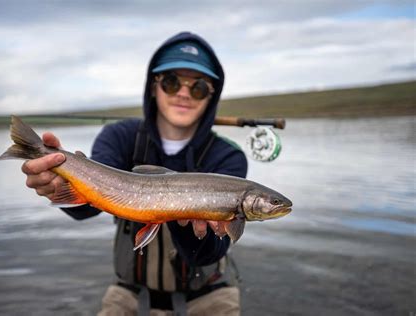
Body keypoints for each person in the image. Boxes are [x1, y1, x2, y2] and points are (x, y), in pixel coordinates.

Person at [21, 31, 248, 315]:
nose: (183, 93)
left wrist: (181, 218)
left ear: (211, 96)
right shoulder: (119, 136)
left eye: (199, 87)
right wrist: (56, 184)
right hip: (130, 295)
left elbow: (207, 254)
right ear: (153, 87)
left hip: (209, 296)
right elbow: (86, 209)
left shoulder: (228, 156)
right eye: (171, 82)